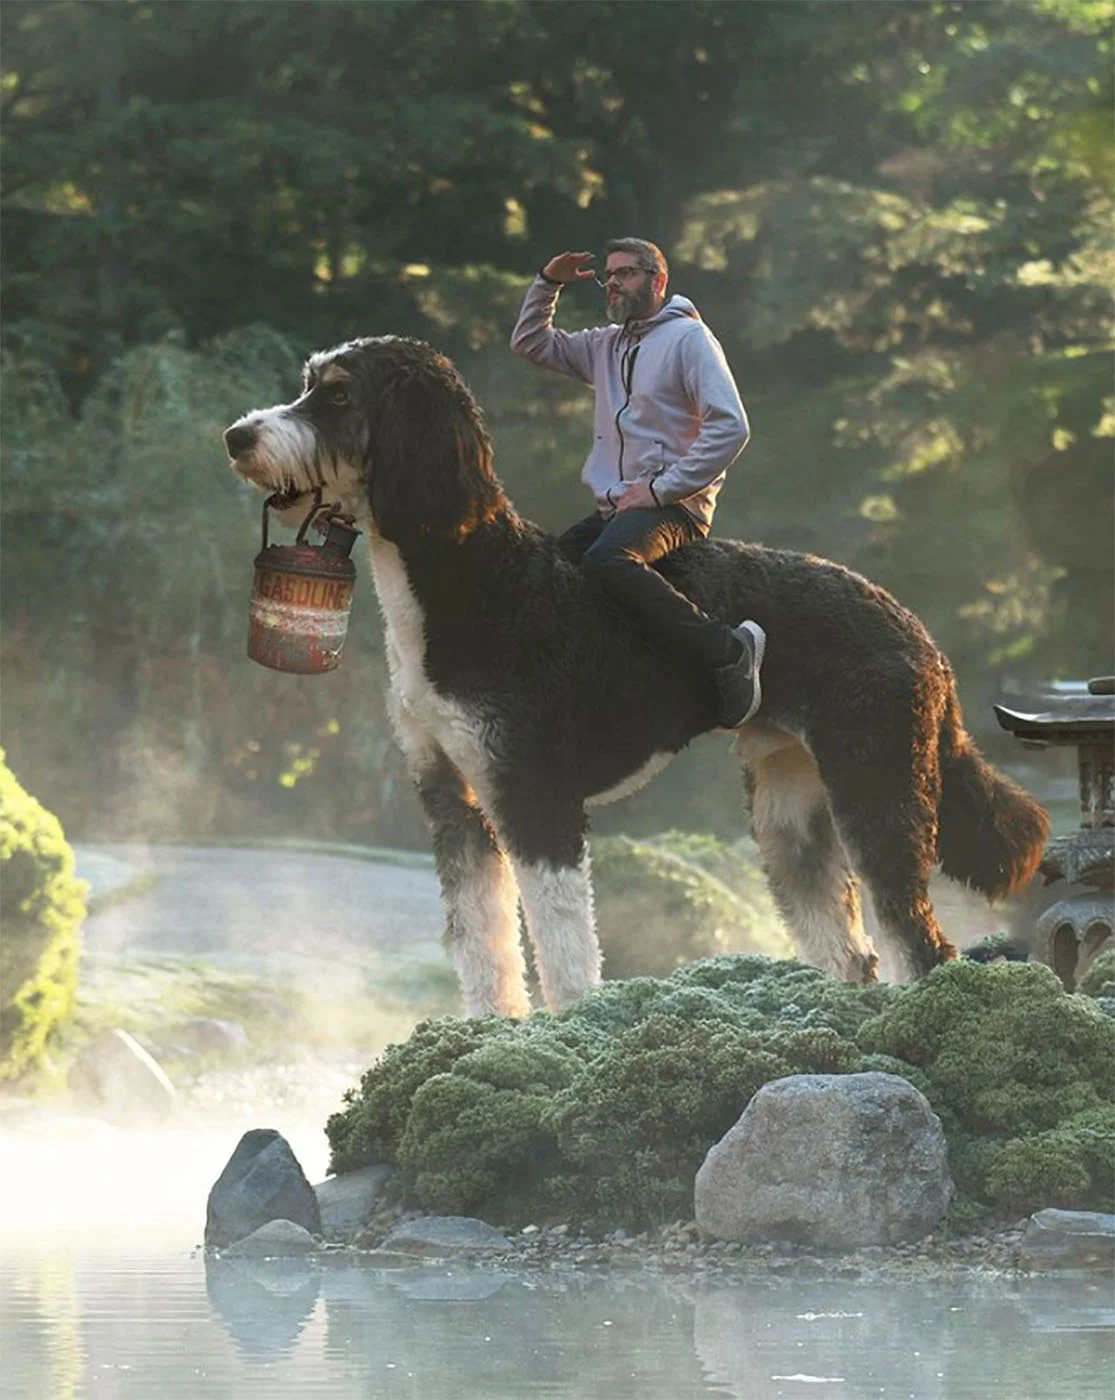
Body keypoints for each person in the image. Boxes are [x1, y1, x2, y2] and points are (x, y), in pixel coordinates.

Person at [509, 237, 764, 727]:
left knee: (607, 560)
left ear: (658, 280)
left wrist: (662, 488)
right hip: (619, 506)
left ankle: (730, 650)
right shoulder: (605, 345)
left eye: (626, 273)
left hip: (674, 507)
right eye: (610, 275)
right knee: (553, 568)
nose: (613, 284)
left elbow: (731, 425)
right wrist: (548, 283)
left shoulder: (689, 340)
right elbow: (530, 343)